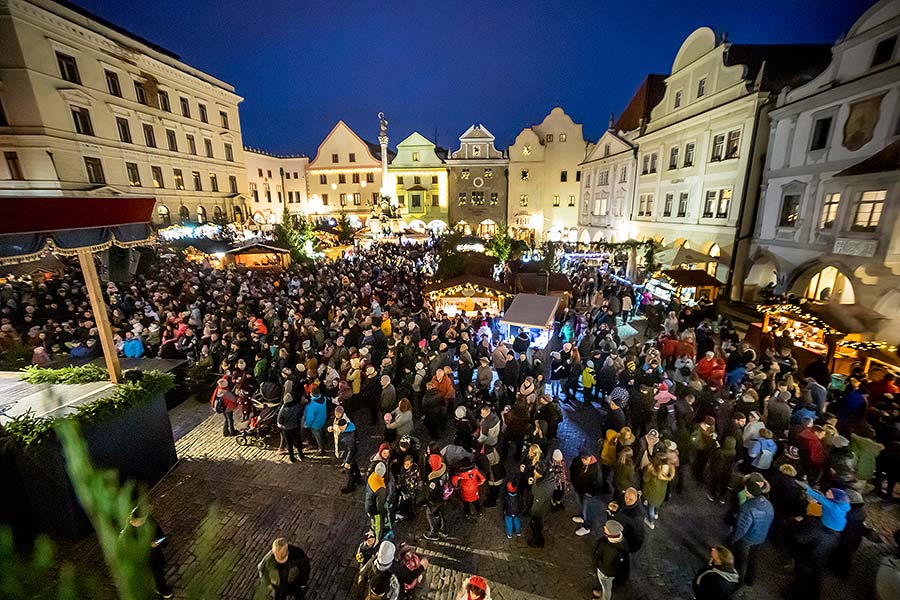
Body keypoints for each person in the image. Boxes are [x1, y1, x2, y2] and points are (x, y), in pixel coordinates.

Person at [728, 473, 773, 586]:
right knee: (753, 560)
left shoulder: (747, 508)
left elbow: (741, 529)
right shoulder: (768, 504)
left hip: (746, 540)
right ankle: (750, 580)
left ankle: (737, 582)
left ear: (750, 493)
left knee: (740, 562)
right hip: (760, 537)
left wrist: (733, 539)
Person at [122, 506, 173, 599]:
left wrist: (162, 541)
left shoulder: (147, 519)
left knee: (159, 569)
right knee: (156, 574)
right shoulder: (127, 534)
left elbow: (157, 529)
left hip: (155, 553)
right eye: (141, 521)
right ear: (133, 521)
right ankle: (161, 589)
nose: (143, 522)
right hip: (145, 559)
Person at [592, 520, 629, 600]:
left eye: (606, 528)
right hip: (612, 571)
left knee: (606, 587)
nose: (604, 527)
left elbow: (606, 564)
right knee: (605, 586)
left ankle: (604, 598)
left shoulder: (610, 548)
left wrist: (597, 562)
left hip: (606, 573)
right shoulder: (622, 541)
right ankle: (603, 592)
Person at [424, 454, 449, 540]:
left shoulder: (434, 478)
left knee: (429, 513)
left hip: (436, 499)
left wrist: (428, 501)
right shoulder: (444, 469)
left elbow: (431, 493)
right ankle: (444, 530)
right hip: (444, 496)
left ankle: (434, 532)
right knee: (443, 512)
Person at [277, 393, 304, 463]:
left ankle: (291, 457)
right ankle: (301, 454)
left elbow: (279, 420)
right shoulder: (297, 406)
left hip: (287, 429)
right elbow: (300, 413)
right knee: (298, 441)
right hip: (296, 426)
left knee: (289, 443)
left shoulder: (283, 409)